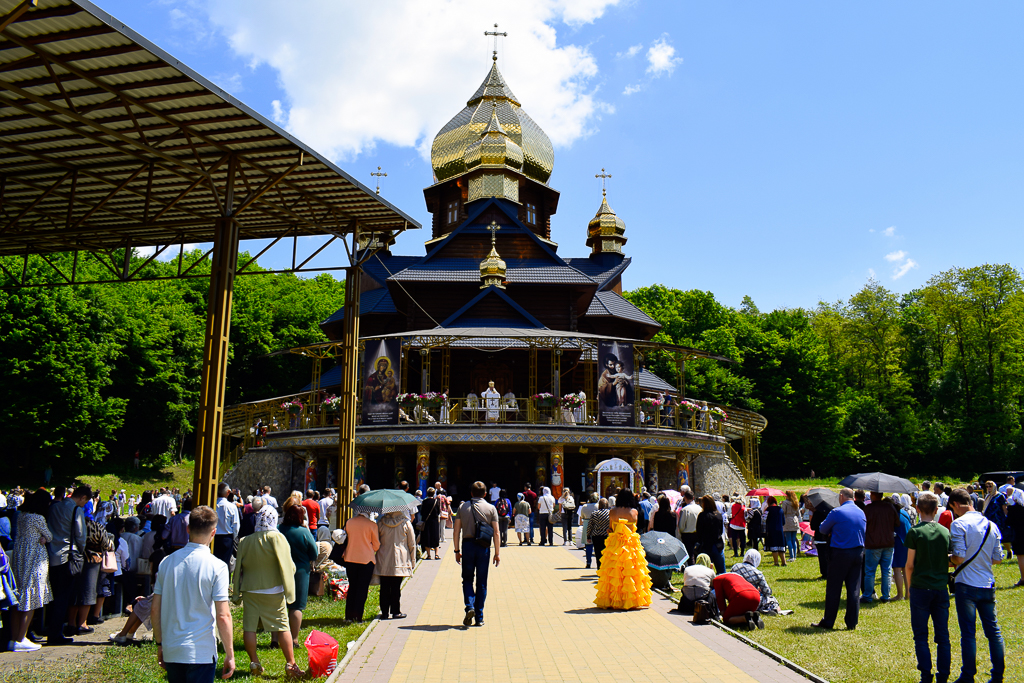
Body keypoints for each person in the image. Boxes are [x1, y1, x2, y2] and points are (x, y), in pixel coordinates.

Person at [152, 505, 235, 682]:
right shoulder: (218, 566)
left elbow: (155, 609)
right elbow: (223, 615)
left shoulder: (166, 562)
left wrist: (160, 644)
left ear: (188, 529)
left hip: (173, 647)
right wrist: (230, 653)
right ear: (213, 533)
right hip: (201, 651)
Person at [233, 507, 299, 677]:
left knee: (249, 627)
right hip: (274, 589)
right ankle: (291, 664)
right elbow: (288, 565)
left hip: (250, 589)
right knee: (282, 625)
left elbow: (238, 567)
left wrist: (236, 591)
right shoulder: (277, 537)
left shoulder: (245, 541)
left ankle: (254, 662)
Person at [949, 487, 1004, 683]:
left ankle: (968, 675)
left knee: (968, 633)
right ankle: (998, 675)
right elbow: (998, 559)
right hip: (987, 584)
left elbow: (959, 557)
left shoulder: (958, 524)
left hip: (966, 585)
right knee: (994, 632)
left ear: (955, 504)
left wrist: (948, 558)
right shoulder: (991, 525)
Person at [904, 491, 951, 683]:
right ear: (936, 509)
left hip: (920, 587)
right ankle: (943, 675)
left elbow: (909, 565)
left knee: (921, 635)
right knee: (943, 635)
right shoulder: (945, 532)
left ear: (917, 509)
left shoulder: (915, 532)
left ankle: (926, 674)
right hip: (940, 588)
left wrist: (909, 587)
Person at [811, 488, 867, 631]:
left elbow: (822, 529)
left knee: (834, 589)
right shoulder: (861, 512)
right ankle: (852, 622)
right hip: (858, 552)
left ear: (841, 496)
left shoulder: (837, 512)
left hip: (840, 553)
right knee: (854, 589)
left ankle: (828, 621)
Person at [9, 489, 53, 652]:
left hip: (20, 557)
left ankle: (14, 638)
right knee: (31, 598)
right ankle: (21, 638)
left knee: (19, 598)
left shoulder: (21, 516)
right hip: (35, 558)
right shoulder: (38, 518)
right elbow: (49, 536)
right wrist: (45, 538)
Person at [594, 489, 652, 610]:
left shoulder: (612, 511)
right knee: (630, 571)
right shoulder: (634, 512)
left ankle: (613, 598)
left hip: (615, 543)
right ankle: (630, 599)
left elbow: (610, 528)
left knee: (613, 571)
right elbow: (635, 528)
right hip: (630, 544)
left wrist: (612, 530)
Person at [453, 481, 500, 626]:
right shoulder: (491, 508)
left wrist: (456, 550)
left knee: (467, 579)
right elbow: (496, 532)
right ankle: (479, 617)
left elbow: (456, 530)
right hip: (483, 547)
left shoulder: (462, 507)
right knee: (482, 582)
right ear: (485, 494)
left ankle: (470, 606)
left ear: (471, 493)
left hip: (467, 546)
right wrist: (497, 553)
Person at [272, 505, 318, 650]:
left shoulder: (278, 530)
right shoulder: (304, 532)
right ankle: (294, 639)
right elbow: (314, 553)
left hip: (278, 569)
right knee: (296, 606)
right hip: (300, 571)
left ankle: (274, 639)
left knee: (278, 605)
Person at [374, 510, 416, 620]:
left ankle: (384, 612)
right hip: (400, 560)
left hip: (383, 558)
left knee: (384, 587)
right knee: (396, 587)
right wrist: (413, 560)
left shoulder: (381, 523)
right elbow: (412, 543)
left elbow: (376, 541)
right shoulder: (406, 523)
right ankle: (396, 611)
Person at [342, 509, 380, 623]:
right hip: (366, 560)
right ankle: (358, 616)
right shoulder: (372, 525)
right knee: (362, 588)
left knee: (352, 587)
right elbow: (376, 545)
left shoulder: (349, 522)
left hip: (350, 558)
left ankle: (348, 616)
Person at [862, 491, 899, 603]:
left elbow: (863, 524)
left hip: (873, 543)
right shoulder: (890, 507)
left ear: (872, 495)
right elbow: (897, 523)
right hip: (888, 542)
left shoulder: (868, 508)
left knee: (870, 571)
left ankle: (868, 595)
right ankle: (886, 596)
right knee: (886, 570)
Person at [730, 549, 778, 618]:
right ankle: (774, 610)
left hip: (735, 599)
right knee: (771, 599)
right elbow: (767, 592)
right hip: (751, 600)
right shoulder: (758, 573)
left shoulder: (735, 567)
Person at [891, 494, 914, 602]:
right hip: (908, 542)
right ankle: (908, 594)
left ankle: (900, 595)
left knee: (897, 569)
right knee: (906, 569)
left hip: (898, 542)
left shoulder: (893, 515)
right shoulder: (904, 513)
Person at [695, 495, 726, 574]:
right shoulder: (718, 515)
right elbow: (721, 530)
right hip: (717, 544)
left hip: (706, 544)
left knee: (705, 571)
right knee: (721, 570)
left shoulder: (702, 515)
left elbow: (699, 531)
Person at [213, 483, 238, 567]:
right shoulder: (231, 506)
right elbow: (236, 525)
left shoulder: (212, 505)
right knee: (224, 564)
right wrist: (234, 537)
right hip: (227, 537)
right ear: (228, 492)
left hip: (213, 536)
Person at [677, 491, 701, 565]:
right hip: (698, 533)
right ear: (693, 498)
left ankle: (691, 567)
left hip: (687, 534)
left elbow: (681, 526)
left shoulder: (685, 510)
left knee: (690, 555)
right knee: (698, 552)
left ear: (685, 498)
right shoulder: (699, 508)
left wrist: (681, 533)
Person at [763, 496, 787, 567]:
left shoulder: (768, 509)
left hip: (771, 530)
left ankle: (776, 562)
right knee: (780, 547)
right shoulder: (780, 509)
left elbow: (763, 519)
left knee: (774, 547)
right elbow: (783, 522)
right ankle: (784, 562)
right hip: (780, 530)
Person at [588, 498, 611, 569]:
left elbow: (590, 525)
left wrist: (588, 535)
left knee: (598, 553)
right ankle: (606, 568)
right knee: (607, 553)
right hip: (607, 536)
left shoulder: (595, 513)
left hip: (596, 536)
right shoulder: (610, 513)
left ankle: (599, 568)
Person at [420, 488, 442, 559]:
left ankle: (429, 555)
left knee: (427, 537)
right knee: (435, 537)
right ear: (433, 494)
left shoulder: (424, 502)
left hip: (426, 522)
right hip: (434, 522)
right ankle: (436, 554)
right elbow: (438, 512)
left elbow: (422, 512)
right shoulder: (436, 501)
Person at [578, 493, 599, 568]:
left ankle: (588, 562)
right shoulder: (598, 506)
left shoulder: (585, 506)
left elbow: (582, 516)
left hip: (587, 523)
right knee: (597, 545)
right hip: (596, 524)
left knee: (588, 545)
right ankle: (598, 563)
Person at [781, 491, 801, 560]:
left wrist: (780, 505)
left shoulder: (785, 503)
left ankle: (791, 556)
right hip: (795, 520)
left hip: (787, 520)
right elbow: (798, 514)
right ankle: (794, 555)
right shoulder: (795, 502)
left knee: (788, 539)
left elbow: (783, 511)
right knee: (793, 539)